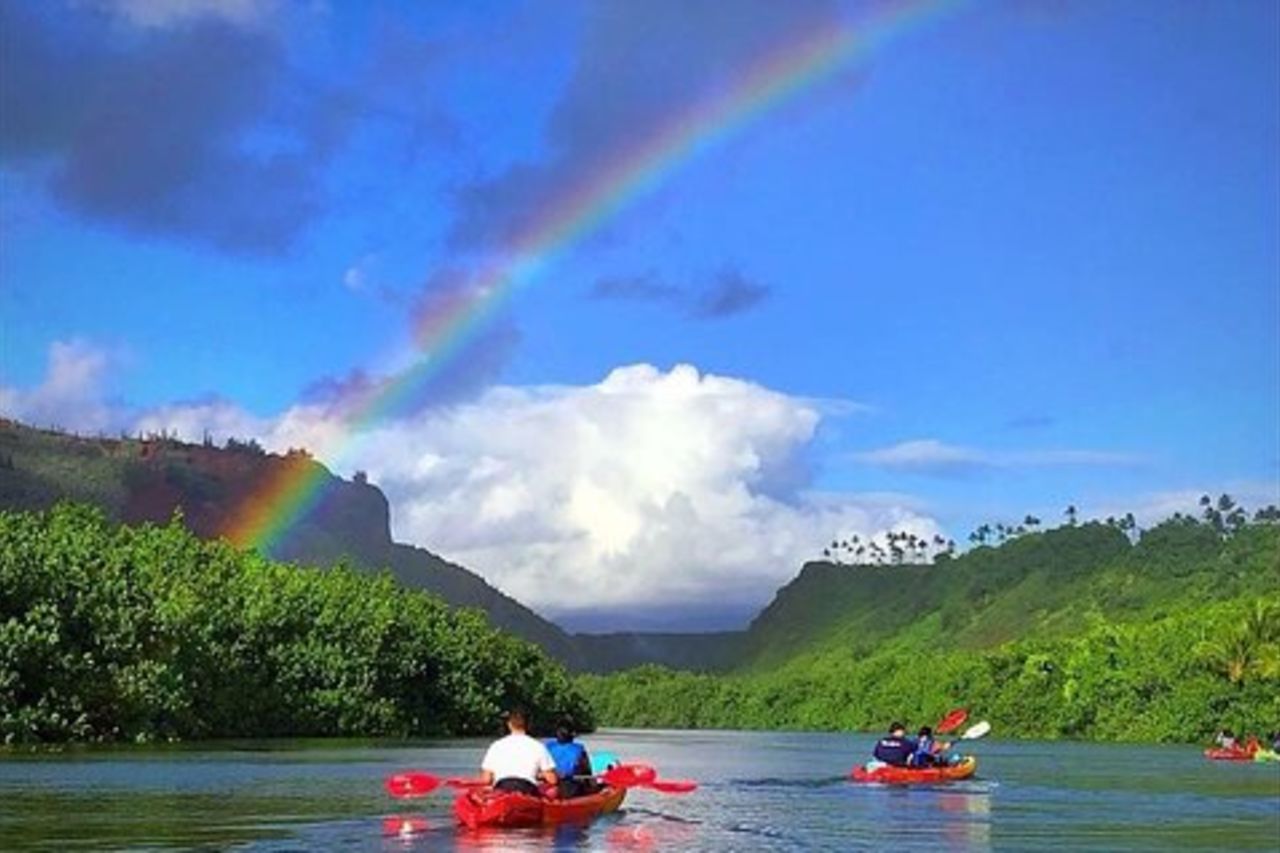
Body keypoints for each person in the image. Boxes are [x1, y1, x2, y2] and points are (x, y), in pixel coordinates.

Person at [479, 708, 557, 796]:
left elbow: (486, 779)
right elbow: (552, 780)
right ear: (527, 725)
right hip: (526, 788)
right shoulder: (538, 746)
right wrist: (540, 776)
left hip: (502, 788)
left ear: (509, 725)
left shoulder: (496, 745)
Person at [545, 718, 597, 799]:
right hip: (570, 789)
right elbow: (587, 772)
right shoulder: (579, 749)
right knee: (588, 784)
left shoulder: (548, 747)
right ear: (571, 735)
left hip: (549, 787)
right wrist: (593, 786)